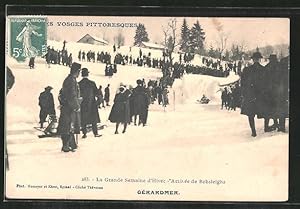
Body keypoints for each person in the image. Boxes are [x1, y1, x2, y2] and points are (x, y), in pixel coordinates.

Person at [57, 62, 82, 152]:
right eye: (79, 71)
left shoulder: (72, 79)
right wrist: (76, 106)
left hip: (69, 106)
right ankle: (66, 146)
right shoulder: (70, 80)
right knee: (67, 126)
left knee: (69, 126)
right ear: (77, 71)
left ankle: (71, 144)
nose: (79, 74)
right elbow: (72, 95)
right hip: (69, 107)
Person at [240, 50, 265, 137]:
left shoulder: (247, 70)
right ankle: (266, 127)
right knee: (264, 111)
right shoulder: (263, 70)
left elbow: (242, 82)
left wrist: (244, 93)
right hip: (260, 95)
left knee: (250, 114)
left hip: (250, 95)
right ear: (259, 59)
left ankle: (253, 131)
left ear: (253, 59)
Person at [78, 68, 101, 138]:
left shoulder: (79, 84)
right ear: (88, 74)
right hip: (92, 103)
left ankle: (84, 134)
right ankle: (95, 133)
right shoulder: (92, 83)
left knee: (83, 119)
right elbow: (97, 93)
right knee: (93, 119)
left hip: (83, 104)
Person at [262, 54, 280, 132]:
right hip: (277, 91)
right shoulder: (279, 67)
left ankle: (266, 126)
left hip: (268, 92)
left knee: (267, 110)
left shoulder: (266, 67)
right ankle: (276, 123)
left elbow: (263, 80)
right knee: (276, 108)